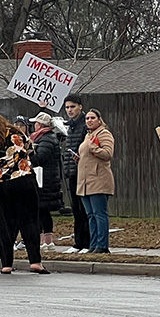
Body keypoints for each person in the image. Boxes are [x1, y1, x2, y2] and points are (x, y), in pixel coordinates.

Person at [0, 110, 46, 274]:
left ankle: (6, 263)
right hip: (20, 179)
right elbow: (30, 151)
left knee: (3, 224)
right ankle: (35, 261)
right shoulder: (15, 132)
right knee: (29, 220)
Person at [76, 109, 115, 254]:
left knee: (100, 214)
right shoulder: (88, 136)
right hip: (85, 182)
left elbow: (108, 154)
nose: (89, 120)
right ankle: (93, 245)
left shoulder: (104, 134)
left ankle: (102, 245)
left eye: (92, 118)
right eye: (87, 118)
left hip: (99, 180)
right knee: (90, 215)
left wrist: (93, 148)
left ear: (99, 119)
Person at [28, 112, 64, 251]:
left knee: (42, 209)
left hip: (45, 179)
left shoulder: (47, 139)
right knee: (42, 210)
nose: (34, 126)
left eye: (36, 123)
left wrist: (30, 154)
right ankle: (45, 239)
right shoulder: (45, 138)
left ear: (41, 125)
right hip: (45, 178)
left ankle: (46, 241)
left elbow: (40, 158)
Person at [61, 94, 90, 254]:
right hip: (72, 171)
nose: (70, 110)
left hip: (83, 172)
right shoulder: (70, 126)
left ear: (80, 106)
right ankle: (78, 242)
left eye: (72, 107)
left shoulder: (85, 124)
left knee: (84, 209)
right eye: (67, 107)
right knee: (76, 209)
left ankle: (86, 242)